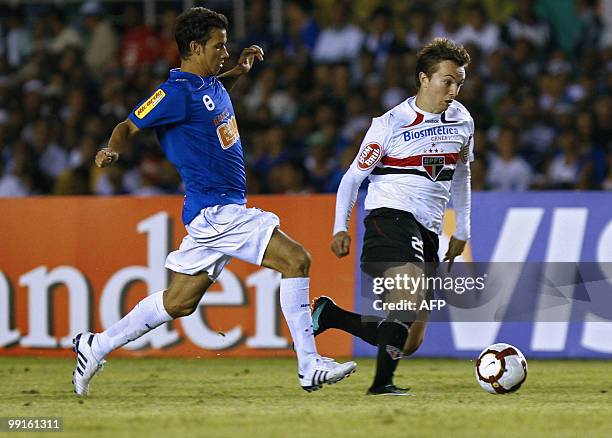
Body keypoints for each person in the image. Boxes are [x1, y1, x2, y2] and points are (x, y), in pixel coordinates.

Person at [72, 7, 356, 396]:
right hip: (216, 210)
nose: (225, 51)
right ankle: (309, 365)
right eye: (218, 46)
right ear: (193, 47)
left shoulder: (208, 85)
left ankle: (96, 345)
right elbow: (128, 125)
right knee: (297, 260)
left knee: (180, 302)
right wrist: (111, 150)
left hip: (215, 213)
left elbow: (210, 100)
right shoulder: (174, 93)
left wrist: (238, 71)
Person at [312, 38, 473, 395]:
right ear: (423, 79)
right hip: (391, 216)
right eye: (447, 80)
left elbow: (462, 176)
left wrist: (461, 228)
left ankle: (330, 315)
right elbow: (353, 177)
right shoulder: (390, 123)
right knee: (407, 300)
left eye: (459, 82)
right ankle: (382, 384)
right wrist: (341, 226)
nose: (454, 90)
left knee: (410, 339)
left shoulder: (463, 121)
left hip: (430, 228)